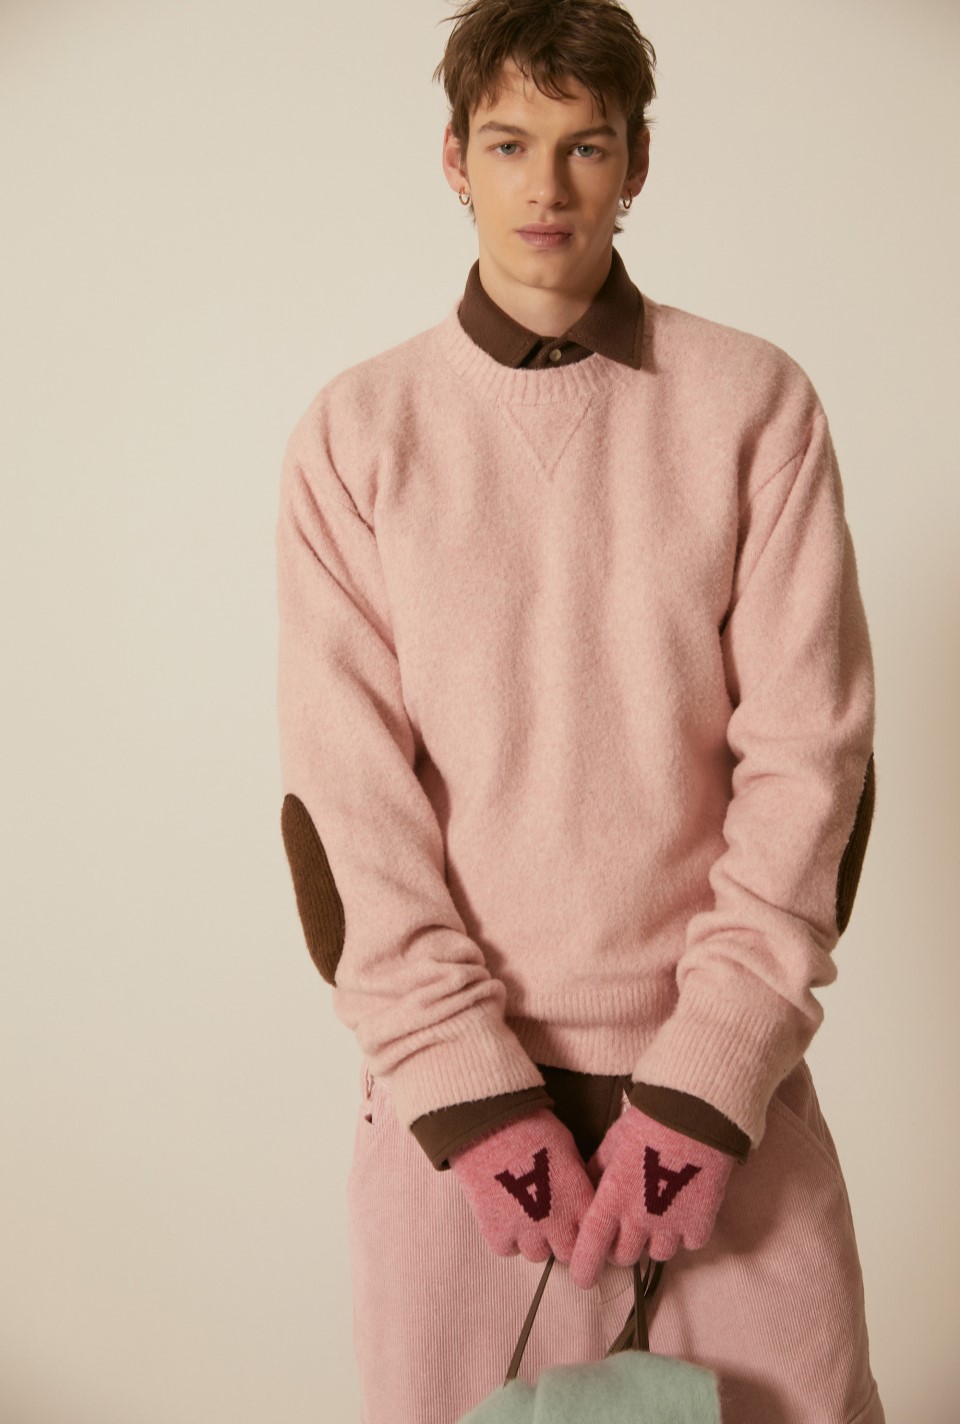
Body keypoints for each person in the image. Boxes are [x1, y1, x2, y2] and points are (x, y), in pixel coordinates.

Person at [274, 2, 885, 1420]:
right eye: (508, 145)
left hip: (720, 1100)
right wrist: (473, 1096)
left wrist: (707, 1082)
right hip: (459, 1131)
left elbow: (814, 769)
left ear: (637, 163)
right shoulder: (358, 435)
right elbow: (345, 808)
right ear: (454, 159)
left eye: (584, 146)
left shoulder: (756, 405)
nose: (545, 187)